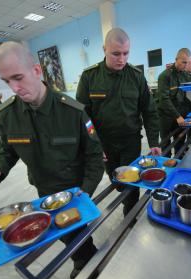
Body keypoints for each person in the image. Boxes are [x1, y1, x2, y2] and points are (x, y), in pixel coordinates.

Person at [0, 42, 104, 279]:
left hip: (75, 187)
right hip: (44, 188)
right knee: (63, 231)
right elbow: (7, 149)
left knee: (75, 229)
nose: (14, 87)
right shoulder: (8, 113)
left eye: (18, 77)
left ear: (37, 71)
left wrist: (85, 191)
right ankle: (83, 258)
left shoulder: (72, 111)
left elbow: (94, 155)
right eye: (6, 81)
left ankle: (86, 260)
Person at [76, 28, 161, 216]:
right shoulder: (90, 77)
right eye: (116, 53)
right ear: (104, 49)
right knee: (117, 182)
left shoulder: (136, 76)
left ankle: (129, 217)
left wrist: (154, 142)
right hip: (104, 144)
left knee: (132, 182)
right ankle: (122, 192)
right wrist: (94, 145)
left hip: (131, 141)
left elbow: (149, 111)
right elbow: (83, 118)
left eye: (125, 53)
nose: (121, 59)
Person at [157, 48, 191, 157]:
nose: (185, 65)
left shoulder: (185, 75)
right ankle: (167, 167)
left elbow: (186, 96)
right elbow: (164, 99)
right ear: (176, 59)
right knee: (166, 145)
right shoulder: (165, 76)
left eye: (187, 62)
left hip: (179, 114)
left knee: (180, 142)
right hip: (165, 116)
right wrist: (177, 116)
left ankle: (178, 165)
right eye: (183, 62)